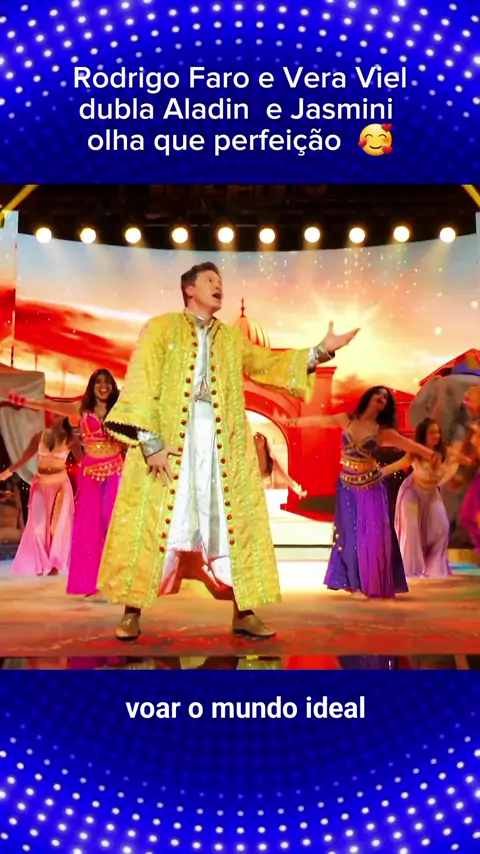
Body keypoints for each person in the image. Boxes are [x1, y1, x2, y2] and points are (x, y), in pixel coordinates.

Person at [97, 261, 359, 641]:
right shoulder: (160, 328)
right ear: (189, 289)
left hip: (221, 445)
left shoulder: (232, 339)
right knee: (152, 521)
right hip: (171, 442)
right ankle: (131, 611)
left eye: (220, 281)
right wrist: (151, 444)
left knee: (231, 522)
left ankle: (244, 612)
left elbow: (268, 363)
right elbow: (141, 383)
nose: (218, 286)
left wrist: (321, 350)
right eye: (210, 280)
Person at [284, 386, 439, 599]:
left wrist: (430, 454)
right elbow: (321, 421)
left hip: (371, 486)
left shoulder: (383, 432)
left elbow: (409, 445)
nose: (382, 398)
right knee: (349, 536)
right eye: (379, 394)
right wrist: (292, 422)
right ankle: (354, 585)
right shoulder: (346, 420)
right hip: (346, 485)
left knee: (373, 537)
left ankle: (372, 583)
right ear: (369, 397)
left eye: (386, 398)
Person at [5, 369, 123, 595]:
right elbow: (49, 404)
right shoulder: (82, 408)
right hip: (90, 475)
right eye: (98, 382)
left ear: (112, 387)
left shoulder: (120, 409)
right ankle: (92, 583)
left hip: (114, 473)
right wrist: (25, 401)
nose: (103, 386)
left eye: (107, 382)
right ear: (92, 386)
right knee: (89, 529)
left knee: (112, 525)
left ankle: (115, 580)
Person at [0, 417, 81, 576]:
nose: (54, 417)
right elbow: (24, 457)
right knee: (37, 526)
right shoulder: (40, 436)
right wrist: (8, 472)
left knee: (55, 527)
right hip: (41, 484)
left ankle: (55, 563)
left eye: (58, 414)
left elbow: (83, 461)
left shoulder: (72, 439)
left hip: (60, 486)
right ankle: (41, 562)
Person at [386, 418, 465, 578]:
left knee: (442, 527)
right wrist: (374, 475)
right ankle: (411, 570)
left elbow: (466, 460)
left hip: (431, 494)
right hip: (412, 493)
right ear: (423, 435)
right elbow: (395, 467)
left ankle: (434, 568)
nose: (436, 436)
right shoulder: (415, 453)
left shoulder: (446, 452)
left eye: (438, 432)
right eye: (432, 432)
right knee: (412, 530)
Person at [253, 432, 307, 497]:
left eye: (260, 436)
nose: (257, 437)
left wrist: (298, 490)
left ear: (265, 441)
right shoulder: (249, 459)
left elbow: (284, 476)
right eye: (255, 437)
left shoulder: (271, 462)